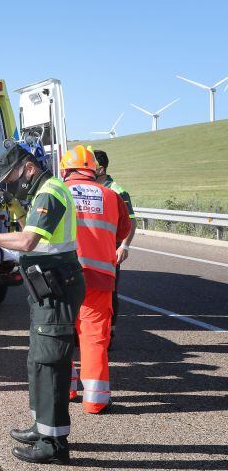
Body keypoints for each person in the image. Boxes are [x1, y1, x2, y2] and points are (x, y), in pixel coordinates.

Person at [0, 141, 84, 464]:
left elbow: (28, 241)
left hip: (57, 288)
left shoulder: (49, 192)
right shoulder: (40, 193)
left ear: (29, 168)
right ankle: (41, 427)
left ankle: (54, 444)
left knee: (51, 364)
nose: (11, 185)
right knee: (38, 361)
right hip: (46, 288)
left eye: (12, 178)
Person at [60, 146, 132, 414]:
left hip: (64, 276)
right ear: (93, 170)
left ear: (65, 170)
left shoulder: (59, 191)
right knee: (93, 339)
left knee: (61, 333)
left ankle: (64, 390)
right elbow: (123, 230)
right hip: (100, 278)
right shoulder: (112, 196)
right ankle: (95, 401)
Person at [92, 149, 135, 334]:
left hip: (111, 249)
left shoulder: (117, 190)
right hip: (91, 249)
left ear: (100, 169)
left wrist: (124, 246)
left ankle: (110, 332)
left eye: (90, 165)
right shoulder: (87, 187)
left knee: (110, 292)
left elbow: (131, 220)